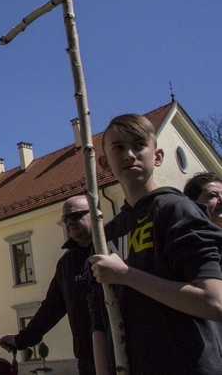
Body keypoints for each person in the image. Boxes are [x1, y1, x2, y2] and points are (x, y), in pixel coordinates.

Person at [88, 114, 222, 374]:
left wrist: (127, 275)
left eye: (139, 145)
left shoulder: (177, 211)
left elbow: (213, 302)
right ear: (104, 163)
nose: (129, 154)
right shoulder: (106, 236)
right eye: (118, 147)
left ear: (157, 156)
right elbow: (98, 322)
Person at [0, 195, 96, 374]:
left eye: (76, 215)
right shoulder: (67, 264)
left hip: (122, 351)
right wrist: (20, 340)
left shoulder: (111, 247)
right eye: (65, 218)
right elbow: (51, 309)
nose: (70, 222)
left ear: (96, 215)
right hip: (87, 359)